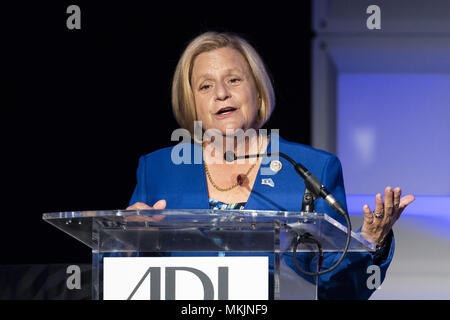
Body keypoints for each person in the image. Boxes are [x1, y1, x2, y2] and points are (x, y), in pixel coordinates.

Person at [126, 31, 415, 299]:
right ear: (192, 103)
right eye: (205, 86)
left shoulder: (313, 168)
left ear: (258, 90)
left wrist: (369, 242)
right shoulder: (159, 169)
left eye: (234, 80)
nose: (221, 93)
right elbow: (119, 275)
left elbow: (337, 291)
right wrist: (125, 243)